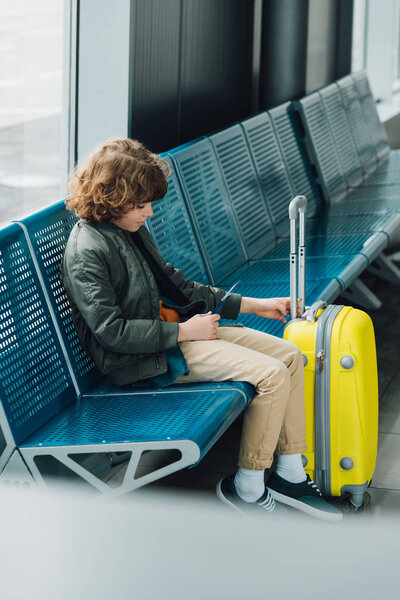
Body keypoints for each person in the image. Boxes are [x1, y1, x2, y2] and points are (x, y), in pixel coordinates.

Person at [61, 138, 342, 521]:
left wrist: (257, 306)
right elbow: (112, 333)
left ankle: (290, 473)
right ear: (113, 197)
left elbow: (179, 286)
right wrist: (185, 333)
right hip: (143, 359)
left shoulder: (128, 228)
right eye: (142, 204)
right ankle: (247, 487)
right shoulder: (87, 251)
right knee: (272, 375)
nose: (150, 212)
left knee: (290, 356)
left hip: (175, 334)